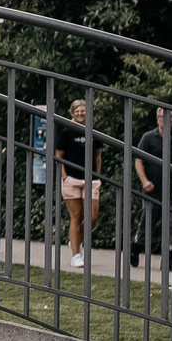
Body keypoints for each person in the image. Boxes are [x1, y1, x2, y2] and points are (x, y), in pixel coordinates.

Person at [132, 105, 172, 267]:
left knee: (171, 224)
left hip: (170, 190)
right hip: (152, 189)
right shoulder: (148, 137)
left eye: (169, 117)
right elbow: (138, 161)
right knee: (147, 222)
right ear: (158, 119)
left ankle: (169, 257)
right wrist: (144, 181)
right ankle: (135, 247)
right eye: (163, 116)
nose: (166, 120)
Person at [59, 97, 100, 271]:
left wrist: (98, 175)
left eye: (83, 110)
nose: (80, 113)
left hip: (91, 179)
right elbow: (58, 156)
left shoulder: (93, 132)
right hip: (72, 179)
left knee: (92, 217)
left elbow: (98, 155)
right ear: (72, 113)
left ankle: (76, 240)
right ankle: (76, 255)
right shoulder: (66, 131)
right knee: (76, 217)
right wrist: (64, 176)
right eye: (77, 111)